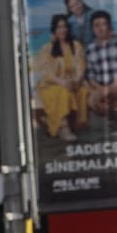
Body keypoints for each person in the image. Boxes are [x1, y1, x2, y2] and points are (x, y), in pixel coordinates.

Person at [34, 14, 89, 142]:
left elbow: (82, 66)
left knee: (83, 91)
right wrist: (62, 82)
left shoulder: (76, 46)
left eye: (64, 27)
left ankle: (52, 122)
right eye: (59, 27)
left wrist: (76, 81)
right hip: (52, 84)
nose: (62, 30)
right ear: (54, 30)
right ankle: (63, 128)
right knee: (62, 92)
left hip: (73, 82)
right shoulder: (48, 48)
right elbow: (46, 71)